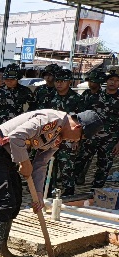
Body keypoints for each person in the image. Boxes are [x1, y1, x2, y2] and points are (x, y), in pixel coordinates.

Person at [0, 109, 103, 257]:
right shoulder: (51, 120)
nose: (75, 141)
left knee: (15, 201)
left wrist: (39, 195)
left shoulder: (58, 138)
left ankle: (1, 248)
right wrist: (24, 161)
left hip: (9, 157)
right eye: (80, 138)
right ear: (78, 128)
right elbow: (17, 136)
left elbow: (40, 164)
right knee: (5, 201)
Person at [73, 70, 119, 191]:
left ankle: (95, 191)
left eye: (116, 81)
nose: (113, 83)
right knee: (80, 160)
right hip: (90, 137)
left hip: (110, 139)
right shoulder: (95, 96)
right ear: (106, 81)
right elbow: (83, 117)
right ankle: (70, 186)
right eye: (111, 80)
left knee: (104, 166)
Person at [46, 68, 84, 196]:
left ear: (69, 82)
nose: (59, 84)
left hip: (69, 139)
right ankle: (48, 192)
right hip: (51, 137)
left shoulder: (77, 99)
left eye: (63, 81)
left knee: (67, 167)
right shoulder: (50, 97)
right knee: (49, 166)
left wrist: (77, 140)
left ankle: (69, 194)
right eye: (57, 81)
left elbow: (81, 122)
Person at [74, 69, 106, 186]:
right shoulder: (86, 94)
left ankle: (95, 183)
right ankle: (77, 176)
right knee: (82, 156)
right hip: (85, 129)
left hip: (99, 132)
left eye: (94, 81)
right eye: (90, 80)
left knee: (98, 159)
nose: (91, 83)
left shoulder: (103, 95)